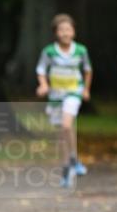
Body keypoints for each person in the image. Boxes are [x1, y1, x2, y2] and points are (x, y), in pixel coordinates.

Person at [36, 13, 92, 189]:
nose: (65, 33)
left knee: (67, 125)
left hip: (73, 94)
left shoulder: (81, 51)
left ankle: (74, 161)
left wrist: (86, 89)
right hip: (55, 97)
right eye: (62, 30)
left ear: (74, 32)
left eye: (68, 29)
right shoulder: (49, 52)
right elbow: (41, 70)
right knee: (63, 135)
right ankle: (67, 170)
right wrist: (43, 85)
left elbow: (88, 70)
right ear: (56, 33)